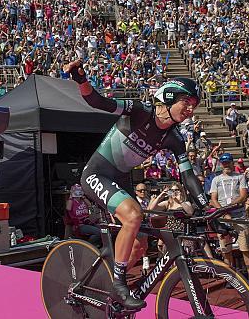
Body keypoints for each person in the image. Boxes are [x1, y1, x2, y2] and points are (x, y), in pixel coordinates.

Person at [65, 59, 208, 310]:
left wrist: (206, 207)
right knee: (133, 215)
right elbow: (99, 102)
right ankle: (120, 285)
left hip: (120, 179)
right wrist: (81, 80)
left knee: (141, 243)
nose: (191, 110)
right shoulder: (140, 110)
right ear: (170, 98)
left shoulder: (174, 139)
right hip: (96, 175)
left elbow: (187, 176)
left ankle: (106, 281)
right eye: (187, 102)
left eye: (194, 105)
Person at [209, 152, 248, 268]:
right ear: (221, 164)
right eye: (224, 163)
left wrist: (229, 206)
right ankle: (229, 276)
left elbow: (243, 196)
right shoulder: (216, 179)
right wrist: (225, 212)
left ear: (232, 163)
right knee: (226, 249)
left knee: (245, 248)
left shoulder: (240, 177)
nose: (226, 165)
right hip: (223, 218)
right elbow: (213, 199)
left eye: (228, 163)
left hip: (239, 216)